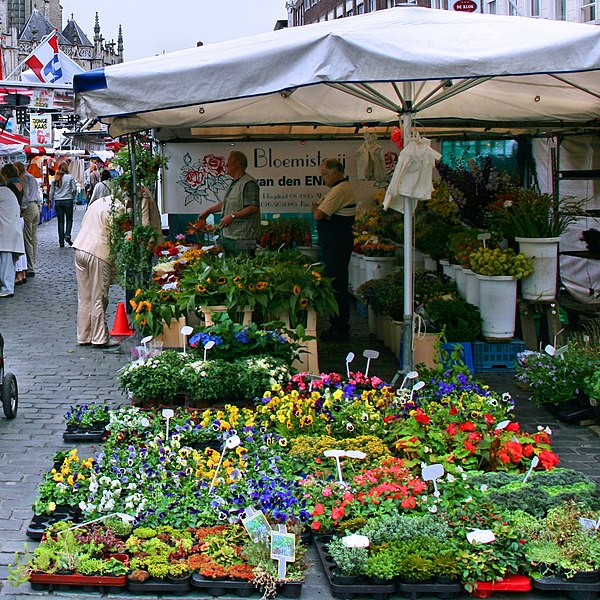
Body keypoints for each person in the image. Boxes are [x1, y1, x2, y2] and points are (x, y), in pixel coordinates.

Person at [312, 158, 356, 342]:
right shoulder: (337, 189)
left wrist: (320, 212)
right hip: (335, 244)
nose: (322, 178)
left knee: (337, 285)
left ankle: (340, 327)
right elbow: (319, 212)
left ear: (335, 172)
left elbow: (318, 213)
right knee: (335, 284)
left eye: (324, 174)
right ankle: (337, 324)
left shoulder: (340, 189)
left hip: (337, 245)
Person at [72, 195, 123, 347]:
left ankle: (84, 335)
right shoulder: (119, 207)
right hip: (98, 251)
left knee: (84, 296)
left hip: (81, 246)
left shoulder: (97, 202)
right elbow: (116, 235)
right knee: (98, 296)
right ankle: (99, 337)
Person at [198, 151, 260, 254]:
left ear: (237, 164)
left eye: (229, 162)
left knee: (244, 267)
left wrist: (232, 216)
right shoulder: (234, 183)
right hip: (230, 236)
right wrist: (208, 211)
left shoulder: (248, 183)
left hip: (244, 238)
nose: (226, 165)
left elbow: (253, 207)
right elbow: (226, 203)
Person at [0, 173, 25, 298]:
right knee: (7, 262)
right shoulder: (7, 192)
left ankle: (7, 288)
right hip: (10, 231)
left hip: (6, 233)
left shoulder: (2, 192)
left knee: (6, 262)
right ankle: (7, 286)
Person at [15, 161, 41, 278]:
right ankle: (33, 264)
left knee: (27, 238)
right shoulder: (31, 176)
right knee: (33, 238)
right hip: (35, 207)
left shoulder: (23, 178)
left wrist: (22, 208)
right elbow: (38, 194)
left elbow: (25, 195)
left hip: (29, 208)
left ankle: (30, 267)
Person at [50, 163, 77, 247]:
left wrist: (51, 200)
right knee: (69, 219)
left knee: (60, 221)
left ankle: (61, 241)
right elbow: (74, 189)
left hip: (58, 201)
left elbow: (52, 191)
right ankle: (67, 234)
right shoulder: (70, 177)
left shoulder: (55, 178)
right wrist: (72, 195)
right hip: (68, 200)